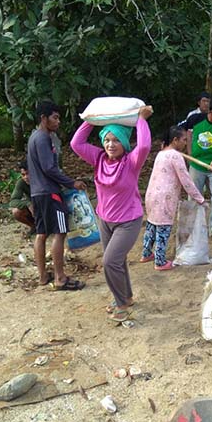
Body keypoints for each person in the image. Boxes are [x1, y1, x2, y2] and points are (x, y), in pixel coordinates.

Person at [70, 105, 153, 322]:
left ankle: (122, 303)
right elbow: (75, 143)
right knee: (118, 260)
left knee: (110, 261)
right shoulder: (98, 159)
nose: (110, 144)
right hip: (104, 220)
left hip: (128, 221)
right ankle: (126, 297)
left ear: (124, 143)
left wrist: (142, 119)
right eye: (106, 140)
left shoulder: (131, 162)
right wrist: (92, 119)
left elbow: (144, 145)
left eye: (115, 140)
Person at [27, 101, 87, 289]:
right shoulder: (43, 138)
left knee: (41, 233)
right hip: (50, 193)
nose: (58, 121)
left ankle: (43, 276)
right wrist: (71, 183)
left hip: (37, 193)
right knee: (60, 233)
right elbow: (49, 168)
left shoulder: (33, 137)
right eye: (55, 117)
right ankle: (60, 278)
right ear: (43, 118)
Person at [141, 125, 205, 270]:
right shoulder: (176, 156)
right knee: (163, 228)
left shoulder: (161, 153)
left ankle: (146, 253)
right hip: (165, 197)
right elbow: (186, 180)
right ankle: (160, 261)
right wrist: (199, 198)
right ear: (175, 140)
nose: (185, 143)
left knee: (152, 225)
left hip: (151, 195)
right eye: (183, 140)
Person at [181, 95, 212, 238]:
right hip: (196, 166)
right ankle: (193, 228)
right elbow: (179, 129)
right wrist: (187, 151)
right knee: (194, 197)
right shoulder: (195, 119)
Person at [9, 160, 35, 236]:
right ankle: (33, 226)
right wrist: (28, 204)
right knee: (16, 212)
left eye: (28, 174)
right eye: (23, 175)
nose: (25, 177)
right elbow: (13, 201)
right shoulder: (21, 183)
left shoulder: (42, 179)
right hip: (33, 208)